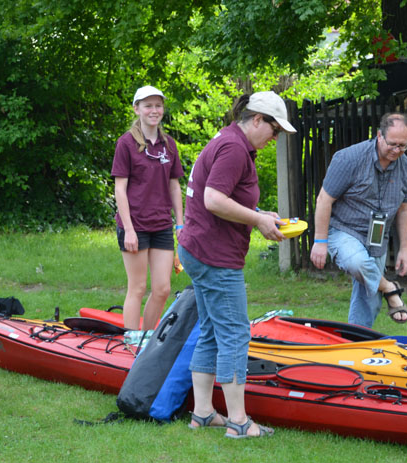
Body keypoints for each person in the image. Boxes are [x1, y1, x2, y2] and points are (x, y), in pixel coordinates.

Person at [178, 91, 296, 438]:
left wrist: (261, 214)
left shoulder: (231, 141)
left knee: (213, 330)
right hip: (214, 255)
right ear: (257, 119)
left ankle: (201, 413)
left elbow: (224, 195)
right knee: (234, 333)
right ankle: (239, 422)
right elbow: (213, 199)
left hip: (197, 248)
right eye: (274, 130)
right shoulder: (233, 148)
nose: (275, 139)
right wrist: (257, 222)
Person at [310, 112, 407, 328]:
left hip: (377, 236)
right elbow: (323, 199)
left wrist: (405, 249)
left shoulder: (405, 167)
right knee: (357, 263)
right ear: (379, 135)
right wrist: (320, 242)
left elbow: (405, 209)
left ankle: (356, 341)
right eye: (392, 144)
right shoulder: (349, 159)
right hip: (344, 229)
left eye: (403, 146)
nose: (397, 151)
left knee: (369, 299)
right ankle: (390, 288)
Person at [111, 86, 184, 331]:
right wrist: (129, 230)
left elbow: (175, 187)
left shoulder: (169, 144)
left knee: (162, 289)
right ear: (137, 109)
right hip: (135, 226)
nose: (154, 110)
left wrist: (180, 224)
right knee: (138, 287)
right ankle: (131, 342)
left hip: (161, 225)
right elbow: (120, 189)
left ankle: (147, 339)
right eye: (148, 105)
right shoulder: (126, 143)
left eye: (158, 105)